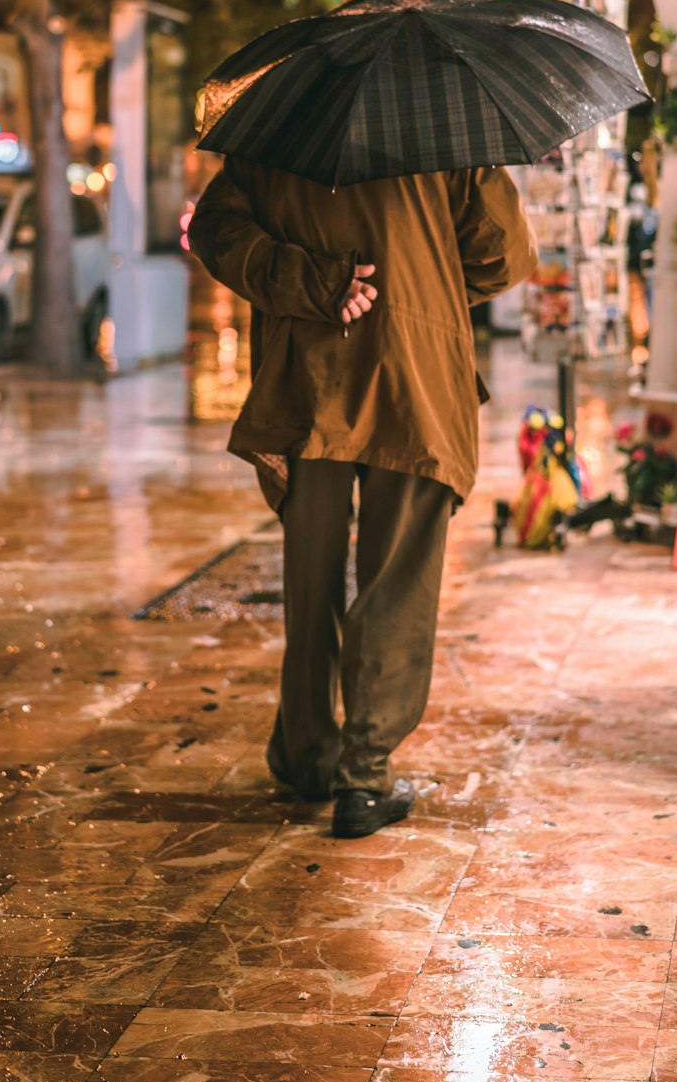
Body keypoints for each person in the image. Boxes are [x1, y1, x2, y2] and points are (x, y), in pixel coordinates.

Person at [188, 156, 536, 837]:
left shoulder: (283, 123)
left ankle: (309, 753)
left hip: (307, 378)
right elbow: (505, 252)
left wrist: (315, 282)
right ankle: (366, 776)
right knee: (397, 576)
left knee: (310, 572)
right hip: (415, 373)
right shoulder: (444, 128)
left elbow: (215, 230)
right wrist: (421, 280)